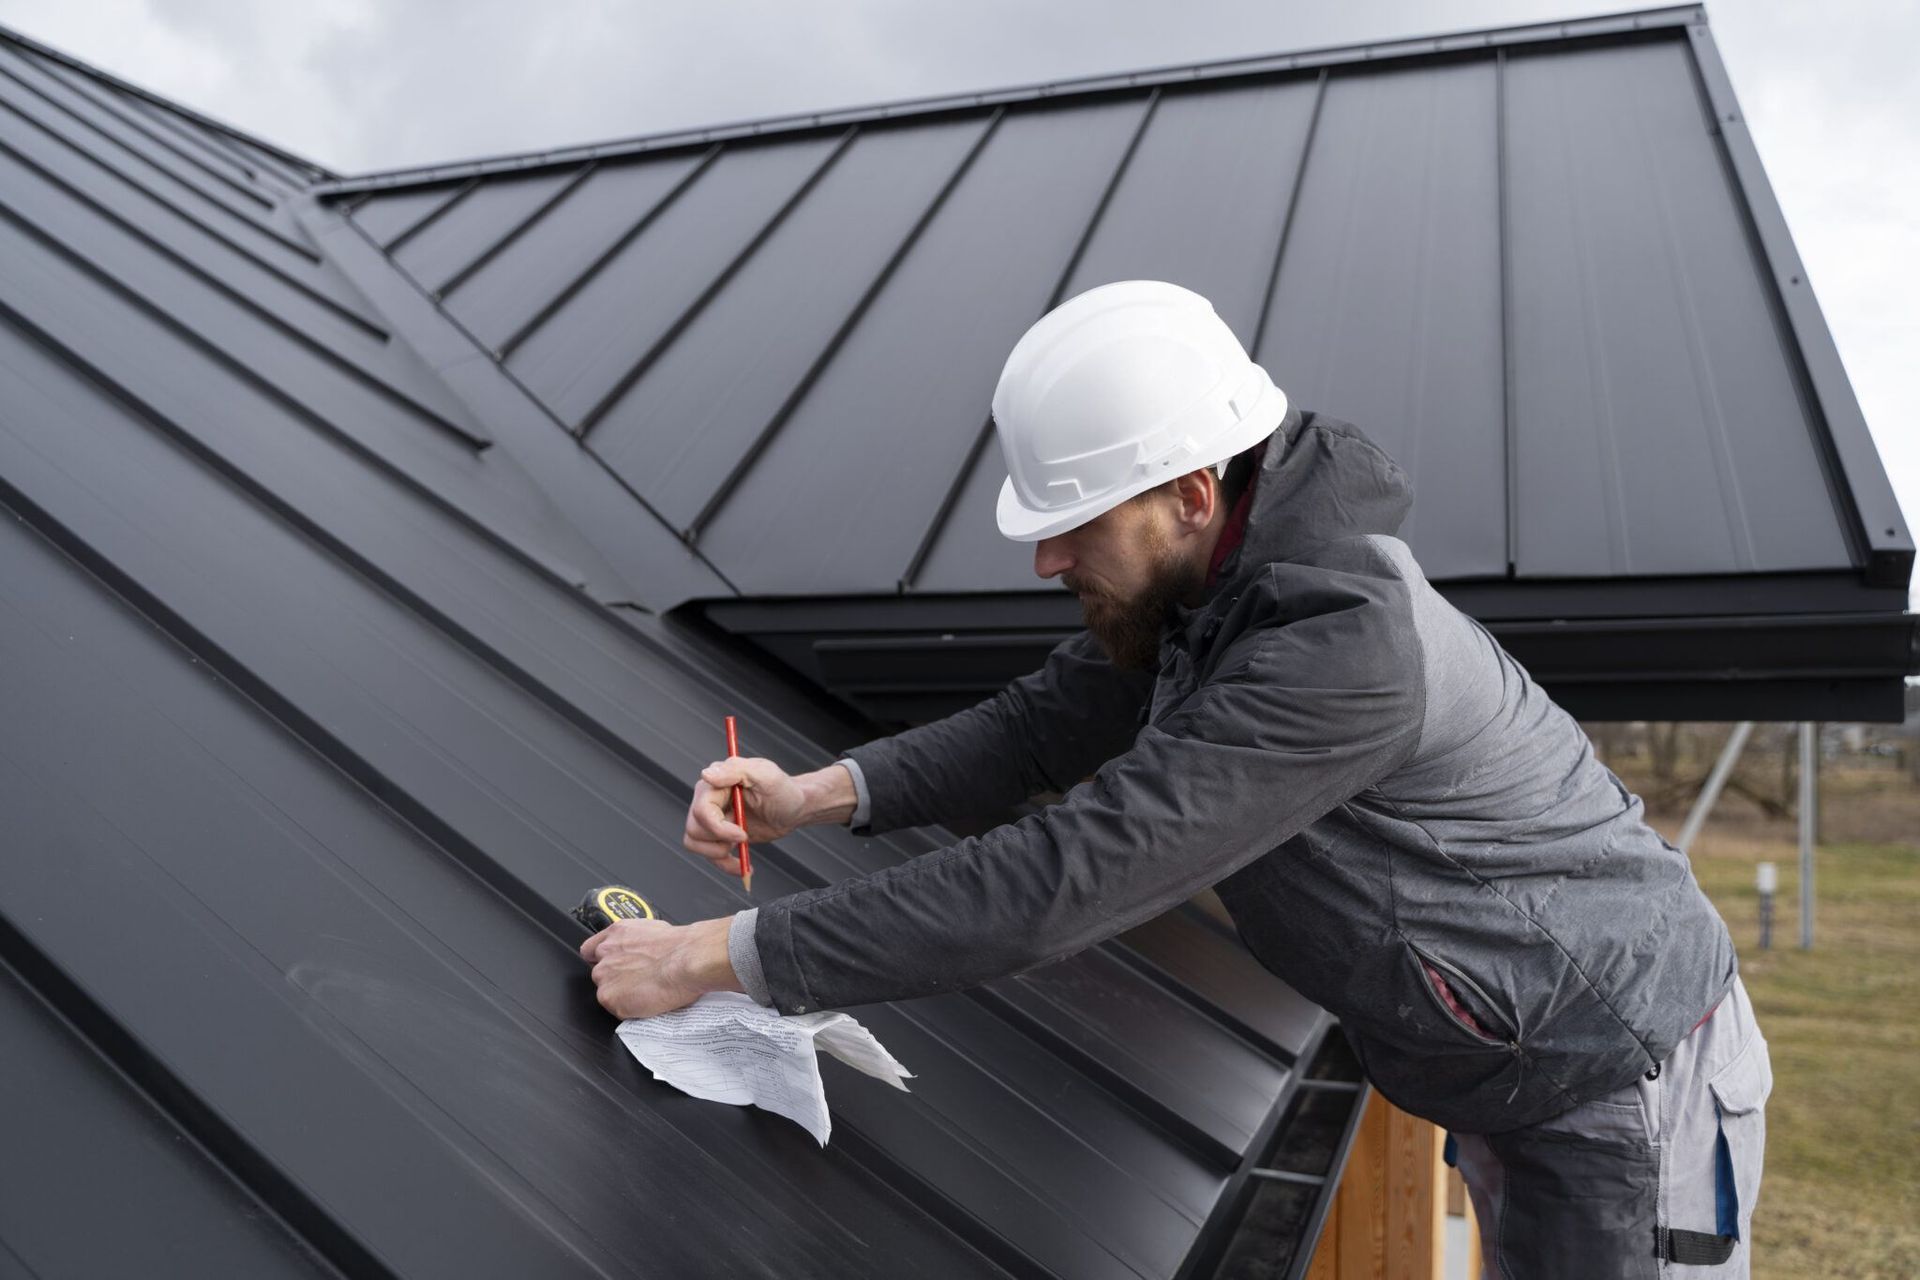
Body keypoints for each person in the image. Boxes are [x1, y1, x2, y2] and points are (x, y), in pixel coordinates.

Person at [580, 280, 1771, 1278]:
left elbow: (1063, 878)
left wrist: (717, 956)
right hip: (1516, 1059)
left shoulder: (1342, 649)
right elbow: (1041, 726)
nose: (1048, 555)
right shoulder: (1214, 589)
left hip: (1617, 1071)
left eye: (1076, 521)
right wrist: (820, 791)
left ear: (1194, 492)